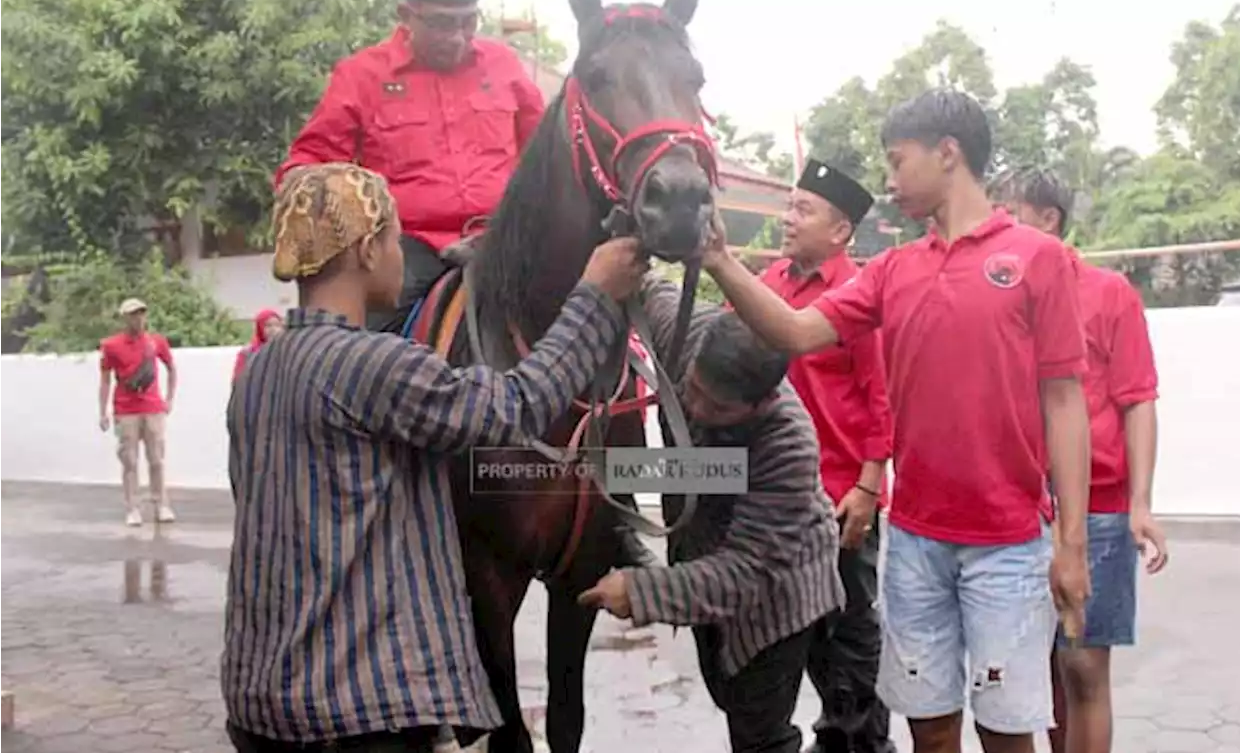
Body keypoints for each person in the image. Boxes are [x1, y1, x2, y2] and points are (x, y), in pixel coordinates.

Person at [699, 88, 1093, 753]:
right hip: (914, 544)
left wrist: (1073, 545)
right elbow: (795, 331)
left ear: (948, 153)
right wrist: (718, 260)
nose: (889, 179)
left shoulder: (1037, 258)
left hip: (1008, 542)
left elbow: (1064, 401)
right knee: (930, 729)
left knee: (1006, 731)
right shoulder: (893, 270)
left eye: (896, 159)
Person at [222, 162, 646, 752]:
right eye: (397, 239)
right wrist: (594, 296)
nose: (405, 253)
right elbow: (516, 408)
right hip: (359, 715)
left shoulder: (259, 370)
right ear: (369, 249)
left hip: (261, 701)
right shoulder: (376, 366)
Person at [579, 275, 845, 753]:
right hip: (710, 502)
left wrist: (641, 590)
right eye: (692, 390)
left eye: (716, 406)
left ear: (761, 402)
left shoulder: (787, 443)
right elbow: (640, 284)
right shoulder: (684, 333)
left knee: (758, 731)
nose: (695, 410)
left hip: (778, 591)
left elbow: (746, 572)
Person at [275, 0, 546, 332]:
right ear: (406, 15)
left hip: (506, 237)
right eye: (440, 23)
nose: (457, 37)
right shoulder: (361, 77)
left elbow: (547, 154)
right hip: (408, 249)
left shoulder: (504, 66)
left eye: (468, 21)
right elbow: (309, 164)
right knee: (361, 352)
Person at [995, 166, 1168, 753]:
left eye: (1011, 213)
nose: (1000, 226)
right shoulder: (999, 297)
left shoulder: (1108, 292)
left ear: (1049, 220)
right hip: (1017, 508)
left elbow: (1138, 399)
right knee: (1032, 673)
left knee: (1084, 669)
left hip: (1096, 508)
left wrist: (1140, 505)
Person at [758, 159, 896, 753]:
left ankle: (859, 743)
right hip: (775, 495)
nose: (788, 219)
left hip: (841, 493)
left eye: (802, 210)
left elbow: (883, 399)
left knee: (850, 629)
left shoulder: (859, 295)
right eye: (789, 206)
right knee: (793, 625)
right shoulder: (767, 286)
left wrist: (868, 488)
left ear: (841, 231)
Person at [99, 297, 178, 527]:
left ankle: (161, 503)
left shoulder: (156, 342)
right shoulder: (112, 346)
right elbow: (104, 380)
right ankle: (133, 507)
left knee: (157, 459)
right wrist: (103, 411)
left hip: (153, 408)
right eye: (133, 314)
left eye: (141, 313)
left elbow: (171, 368)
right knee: (130, 461)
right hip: (126, 410)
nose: (138, 318)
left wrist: (169, 399)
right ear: (125, 317)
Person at [231, 309, 283, 381]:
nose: (274, 329)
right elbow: (238, 380)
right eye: (268, 325)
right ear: (260, 327)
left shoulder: (285, 351)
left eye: (277, 325)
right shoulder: (248, 352)